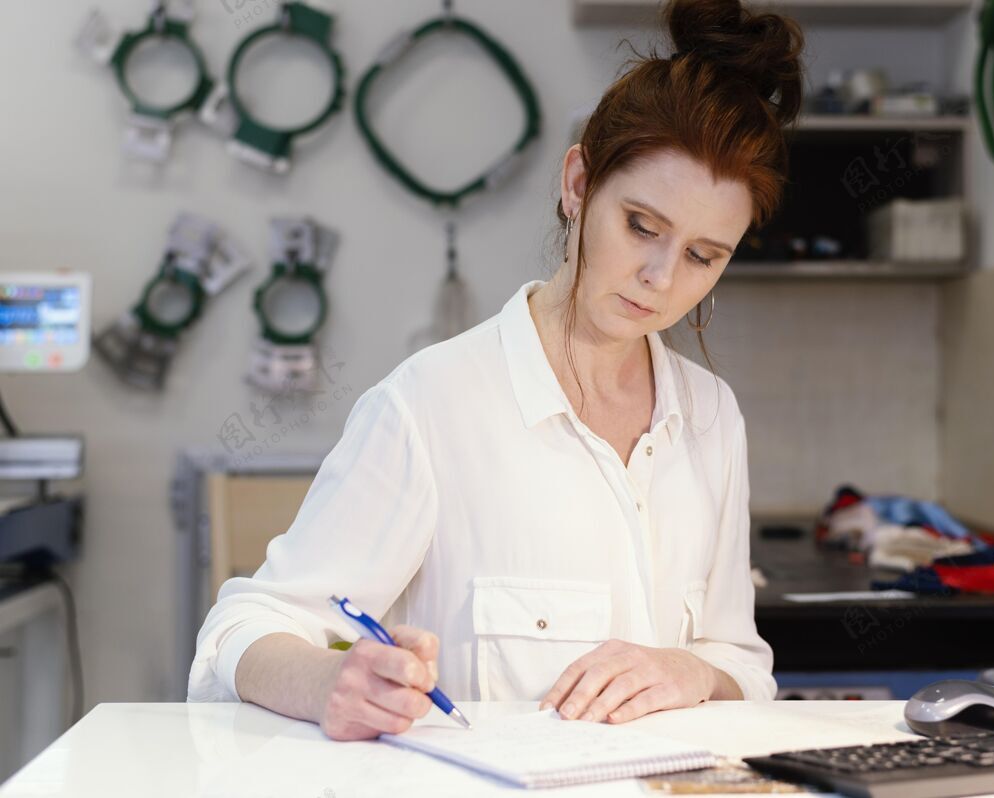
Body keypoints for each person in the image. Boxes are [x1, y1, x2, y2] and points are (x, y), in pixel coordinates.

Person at [189, 0, 807, 742]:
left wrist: (692, 671)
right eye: (641, 226)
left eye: (704, 256)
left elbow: (740, 658)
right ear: (579, 185)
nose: (659, 277)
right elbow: (243, 626)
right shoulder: (432, 404)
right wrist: (331, 681)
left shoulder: (710, 415)